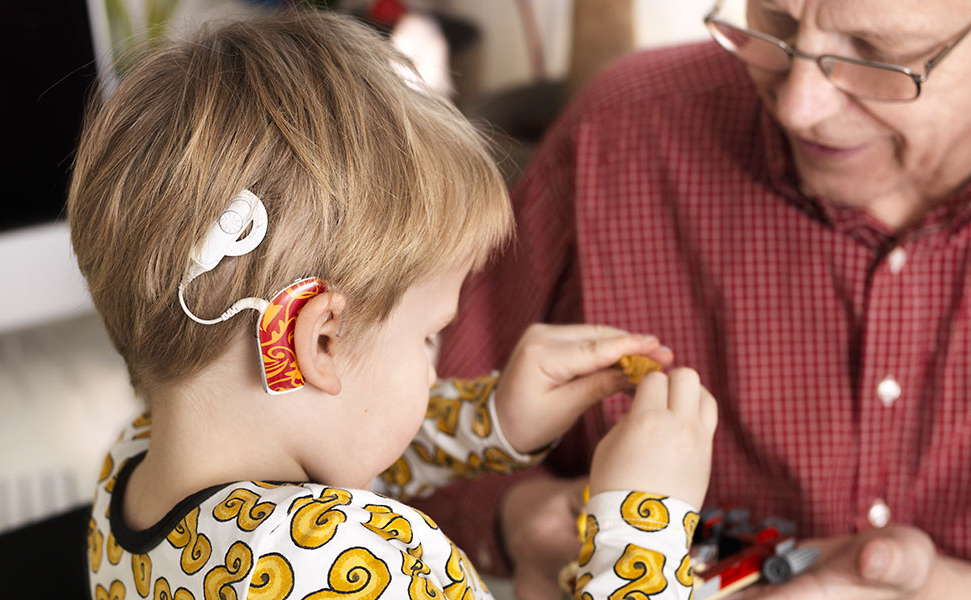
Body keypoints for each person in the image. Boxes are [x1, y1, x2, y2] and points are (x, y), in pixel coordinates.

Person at [415, 0, 971, 598]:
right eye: (774, 21)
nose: (799, 106)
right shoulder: (617, 137)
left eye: (873, 49)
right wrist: (511, 521)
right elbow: (387, 442)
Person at [68, 11, 718, 600]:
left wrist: (495, 419)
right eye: (430, 337)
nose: (435, 366)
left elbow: (325, 425)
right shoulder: (350, 558)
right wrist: (642, 532)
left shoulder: (130, 467)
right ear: (318, 340)